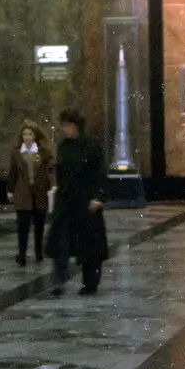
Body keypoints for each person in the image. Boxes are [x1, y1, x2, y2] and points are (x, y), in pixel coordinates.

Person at [46, 108, 108, 295]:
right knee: (61, 242)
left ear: (75, 125)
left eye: (67, 125)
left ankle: (90, 283)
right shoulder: (64, 146)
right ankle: (58, 281)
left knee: (90, 245)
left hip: (86, 201)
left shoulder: (92, 146)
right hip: (66, 201)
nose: (65, 129)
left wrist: (99, 197)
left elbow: (99, 174)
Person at [7, 121, 54, 265]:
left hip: (39, 193)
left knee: (39, 225)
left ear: (35, 136)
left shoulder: (44, 152)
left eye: (30, 134)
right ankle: (22, 254)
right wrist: (10, 190)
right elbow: (12, 173)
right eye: (25, 134)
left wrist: (51, 185)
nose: (27, 137)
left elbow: (50, 170)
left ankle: (39, 252)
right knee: (23, 226)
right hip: (23, 193)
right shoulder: (16, 152)